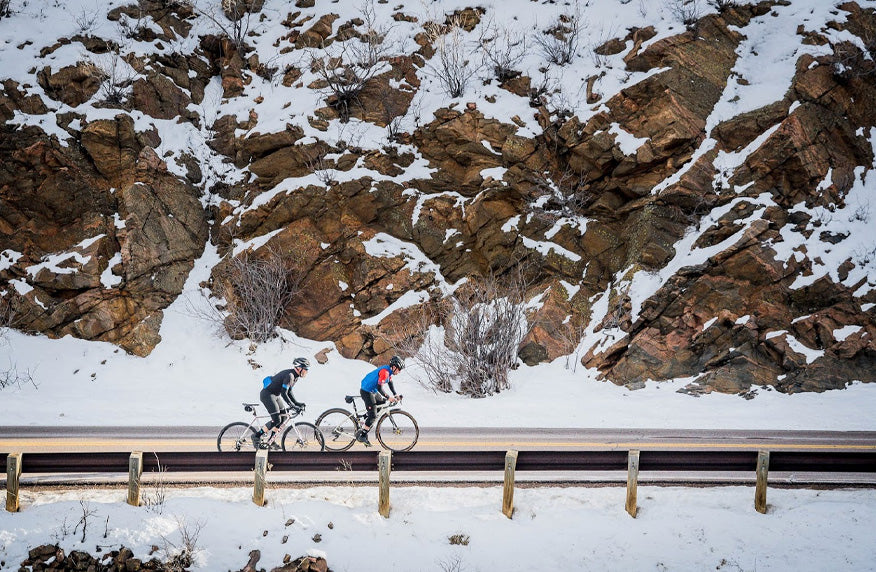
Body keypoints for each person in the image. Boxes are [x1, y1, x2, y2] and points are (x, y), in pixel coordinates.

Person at [252, 357, 310, 448]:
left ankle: (271, 440)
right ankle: (256, 436)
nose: (307, 371)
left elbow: (289, 392)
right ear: (299, 368)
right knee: (277, 420)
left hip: (275, 395)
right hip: (267, 395)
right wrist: (292, 406)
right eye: (306, 369)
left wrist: (297, 403)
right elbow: (284, 393)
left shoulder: (295, 376)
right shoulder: (290, 375)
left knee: (282, 419)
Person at [356, 355, 404, 446]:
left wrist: (395, 395)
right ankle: (362, 435)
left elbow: (390, 383)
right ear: (394, 367)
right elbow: (379, 387)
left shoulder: (389, 372)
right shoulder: (385, 372)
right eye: (399, 369)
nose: (399, 371)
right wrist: (388, 397)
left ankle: (365, 419)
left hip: (372, 390)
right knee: (373, 415)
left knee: (381, 403)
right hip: (366, 391)